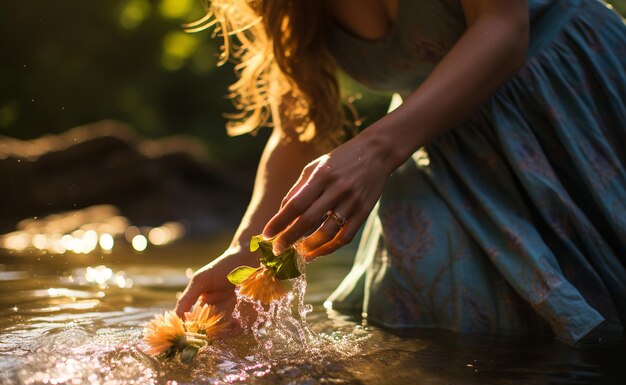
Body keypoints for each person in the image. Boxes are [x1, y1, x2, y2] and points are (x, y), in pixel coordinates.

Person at [175, 0, 626, 344]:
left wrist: (376, 150)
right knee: (424, 309)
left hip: (567, 93)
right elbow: (300, 127)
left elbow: (504, 28)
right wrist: (246, 251)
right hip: (442, 144)